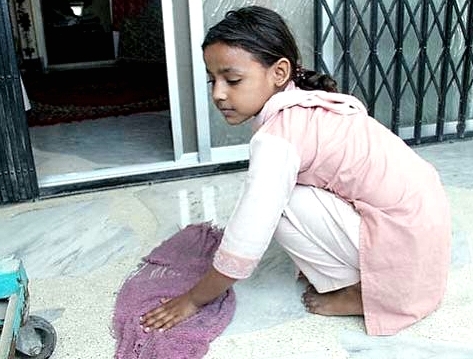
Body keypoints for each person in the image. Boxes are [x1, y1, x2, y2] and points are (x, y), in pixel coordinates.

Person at [140, 5, 451, 336]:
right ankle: (362, 272)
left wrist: (193, 299)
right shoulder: (306, 103)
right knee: (286, 192)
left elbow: (249, 231)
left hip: (403, 249)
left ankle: (362, 292)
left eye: (232, 79)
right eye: (212, 80)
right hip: (423, 234)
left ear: (279, 72)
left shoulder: (278, 138)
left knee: (279, 203)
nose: (218, 94)